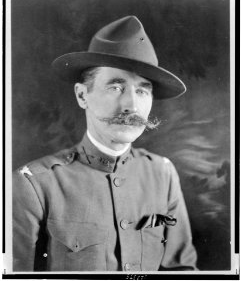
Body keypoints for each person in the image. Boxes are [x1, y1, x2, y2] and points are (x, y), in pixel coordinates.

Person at [12, 16, 197, 272]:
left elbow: (183, 272)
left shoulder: (162, 173)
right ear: (82, 95)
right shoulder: (34, 184)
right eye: (115, 87)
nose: (131, 105)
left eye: (142, 90)